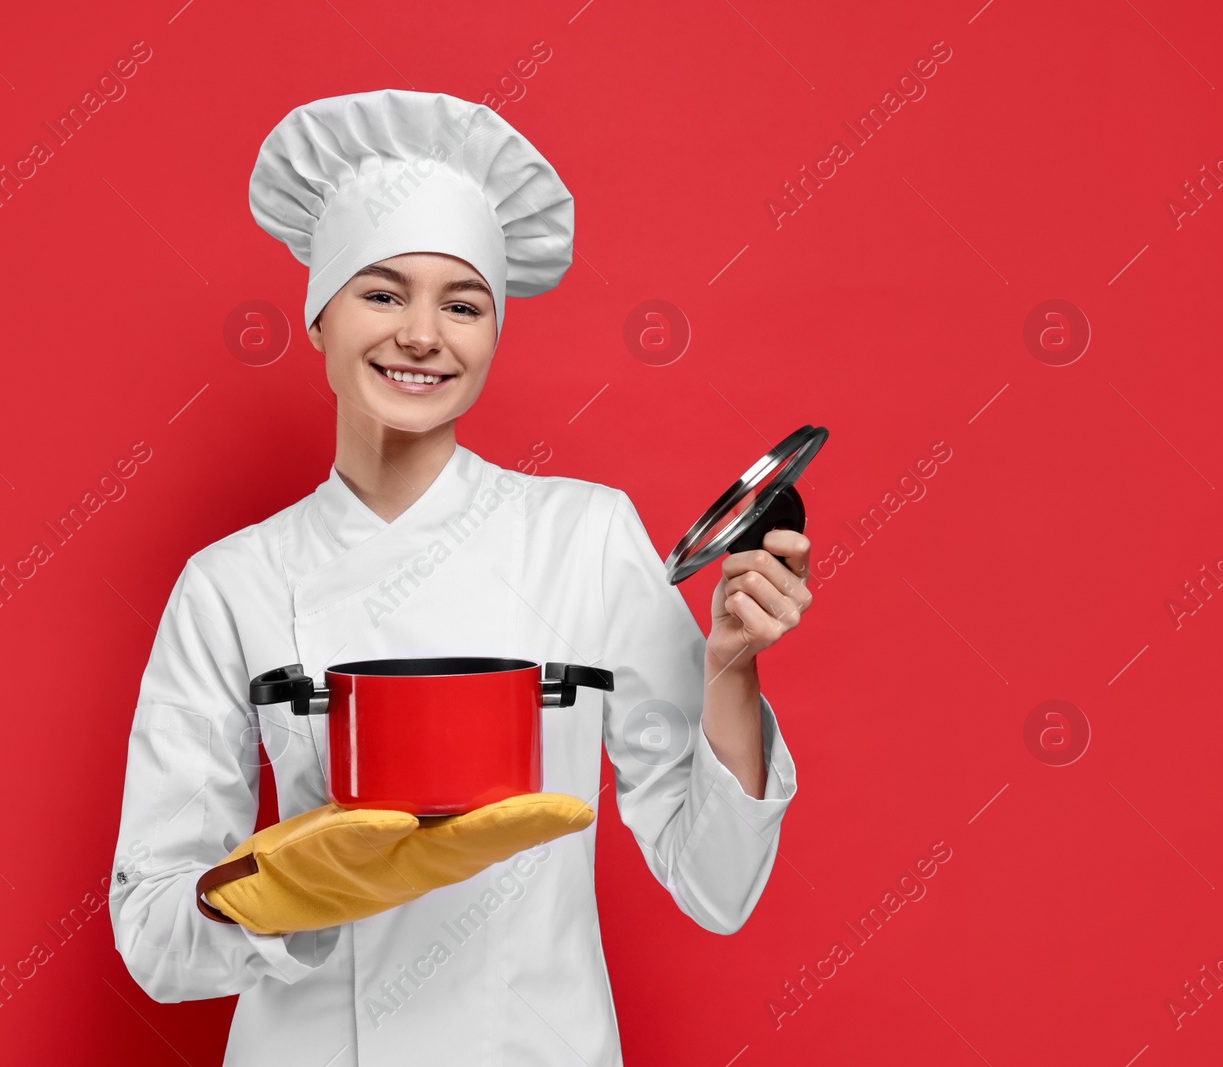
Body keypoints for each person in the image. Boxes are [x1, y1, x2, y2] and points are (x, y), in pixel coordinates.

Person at [108, 88, 812, 1066]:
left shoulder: (585, 536)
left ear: (492, 332)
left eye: (462, 303)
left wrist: (731, 670)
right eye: (382, 292)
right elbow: (152, 929)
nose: (421, 335)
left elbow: (717, 881)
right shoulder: (231, 584)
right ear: (318, 317)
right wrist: (297, 887)